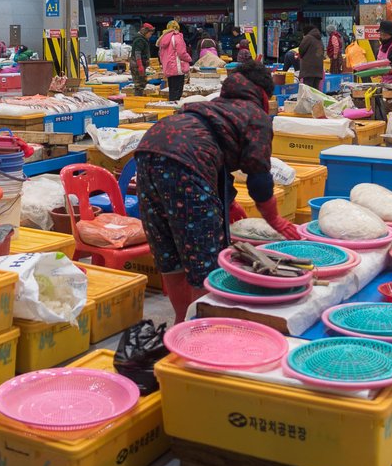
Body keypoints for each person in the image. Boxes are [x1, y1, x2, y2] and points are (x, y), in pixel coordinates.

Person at [133, 62, 299, 321]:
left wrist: (229, 203)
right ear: (265, 95)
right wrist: (274, 218)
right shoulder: (255, 115)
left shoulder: (215, 106)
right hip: (185, 164)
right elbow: (258, 175)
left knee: (171, 254)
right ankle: (201, 329)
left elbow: (214, 156)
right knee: (204, 260)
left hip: (147, 152)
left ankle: (181, 322)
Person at [158, 20, 192, 101]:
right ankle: (175, 110)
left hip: (168, 68)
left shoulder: (163, 38)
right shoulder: (177, 37)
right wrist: (189, 59)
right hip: (177, 68)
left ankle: (171, 107)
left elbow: (161, 55)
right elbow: (182, 53)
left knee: (172, 89)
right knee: (178, 90)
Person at [128, 23, 155, 93]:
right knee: (139, 85)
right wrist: (140, 65)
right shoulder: (139, 40)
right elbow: (137, 53)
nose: (150, 35)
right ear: (145, 32)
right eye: (150, 33)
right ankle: (138, 100)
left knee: (142, 83)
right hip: (136, 66)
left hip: (139, 65)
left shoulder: (142, 39)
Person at [298, 23, 324, 89]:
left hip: (309, 69)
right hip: (318, 69)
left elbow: (301, 49)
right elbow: (321, 52)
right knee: (315, 90)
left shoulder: (308, 38)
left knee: (308, 89)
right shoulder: (319, 39)